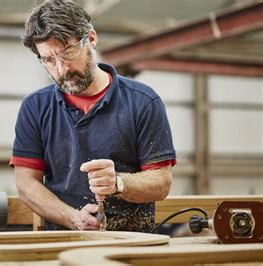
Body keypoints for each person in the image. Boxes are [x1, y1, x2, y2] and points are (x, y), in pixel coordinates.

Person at [10, 0, 176, 232]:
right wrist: (73, 218)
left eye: (67, 52)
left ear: (91, 38)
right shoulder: (35, 107)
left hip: (132, 244)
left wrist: (118, 183)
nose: (61, 69)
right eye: (48, 60)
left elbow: (161, 182)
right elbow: (26, 184)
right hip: (60, 245)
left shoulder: (143, 102)